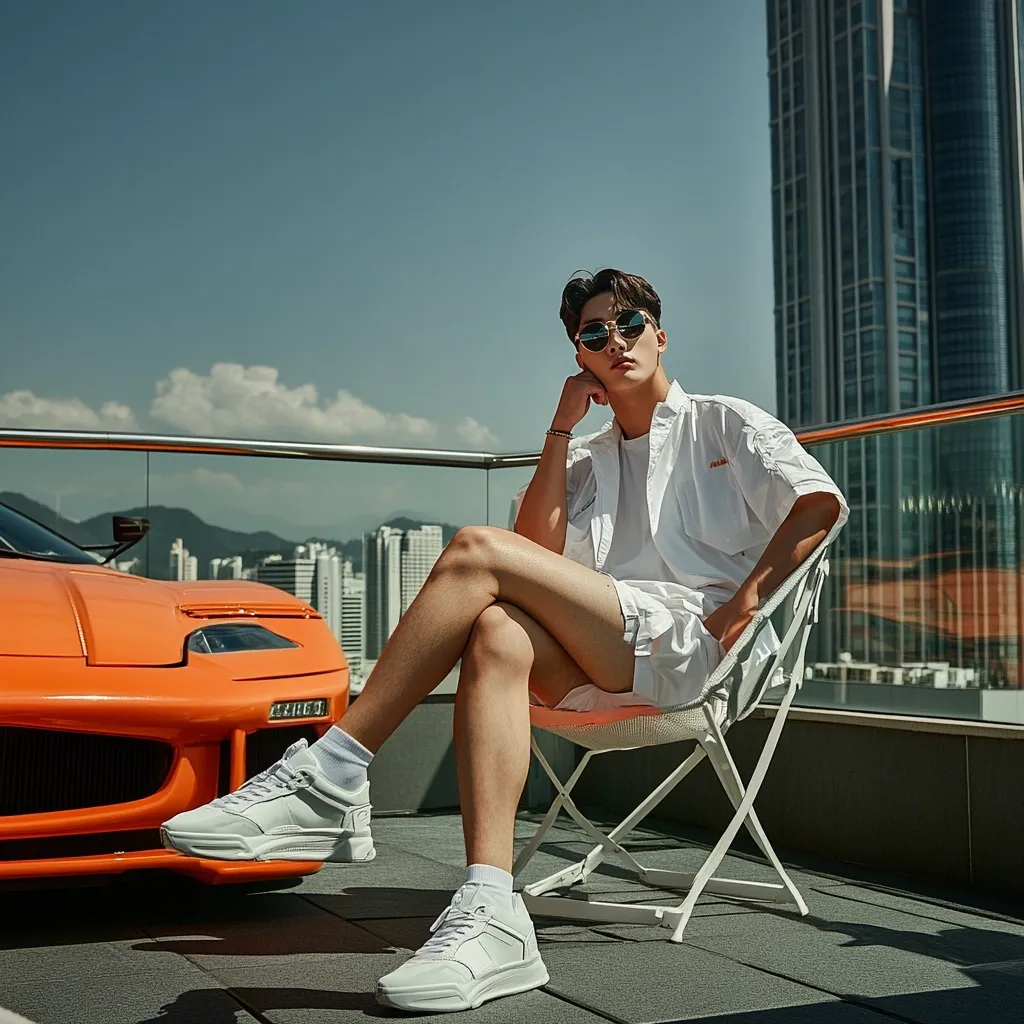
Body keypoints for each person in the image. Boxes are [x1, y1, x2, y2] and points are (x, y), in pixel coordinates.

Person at [161, 268, 848, 1014]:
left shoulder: (724, 423)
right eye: (594, 334)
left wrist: (745, 603)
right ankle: (492, 911)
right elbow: (535, 559)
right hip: (604, 654)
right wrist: (560, 429)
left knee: (471, 550)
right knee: (492, 625)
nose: (615, 341)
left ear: (660, 331)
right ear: (578, 356)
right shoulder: (584, 457)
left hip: (692, 646)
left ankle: (330, 772)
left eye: (629, 323)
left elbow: (818, 502)